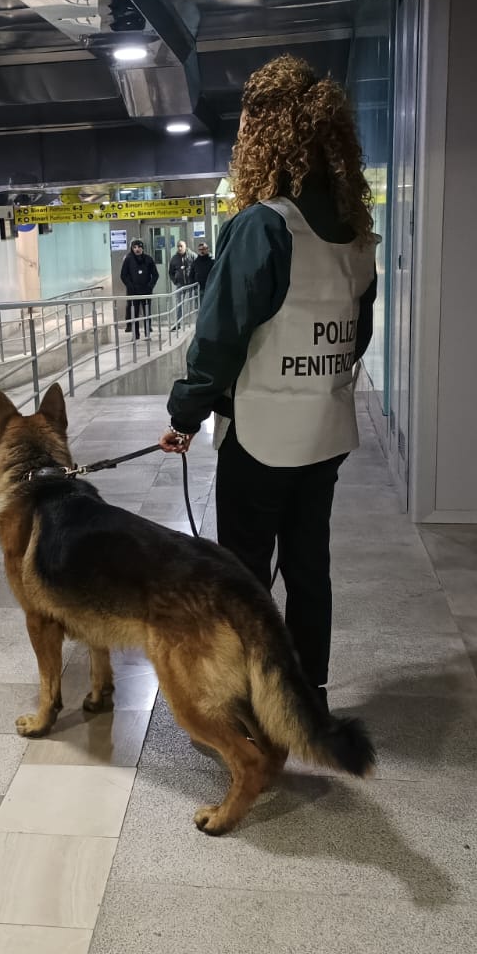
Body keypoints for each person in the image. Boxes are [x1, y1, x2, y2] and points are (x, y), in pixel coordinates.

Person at [160, 54, 379, 708]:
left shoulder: (265, 226)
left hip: (261, 437)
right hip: (326, 430)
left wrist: (186, 413)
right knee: (310, 568)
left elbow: (220, 335)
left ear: (263, 136)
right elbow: (355, 338)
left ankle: (250, 699)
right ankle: (307, 689)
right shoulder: (355, 237)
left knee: (246, 573)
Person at [120, 237, 157, 339]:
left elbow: (155, 275)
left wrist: (150, 286)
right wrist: (130, 286)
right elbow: (123, 275)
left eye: (139, 247)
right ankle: (135, 334)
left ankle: (147, 333)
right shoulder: (128, 260)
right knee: (134, 314)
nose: (137, 249)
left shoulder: (149, 259)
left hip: (146, 292)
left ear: (142, 248)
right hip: (133, 292)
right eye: (134, 247)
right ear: (132, 248)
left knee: (147, 313)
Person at [168, 238, 193, 329]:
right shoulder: (174, 259)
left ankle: (194, 323)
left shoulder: (192, 255)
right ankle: (177, 323)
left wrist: (194, 279)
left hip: (191, 284)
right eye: (178, 246)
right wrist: (175, 280)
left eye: (181, 246)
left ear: (185, 246)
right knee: (179, 304)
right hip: (180, 284)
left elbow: (197, 267)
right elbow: (170, 272)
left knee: (193, 303)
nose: (179, 248)